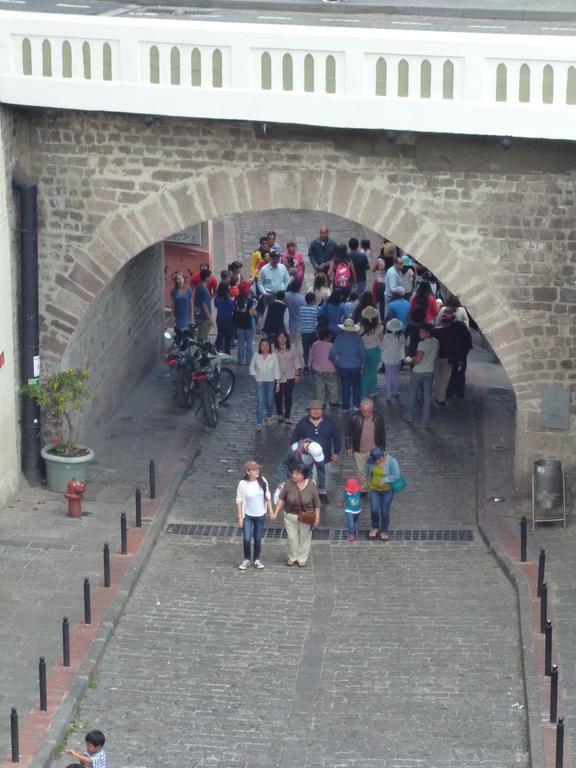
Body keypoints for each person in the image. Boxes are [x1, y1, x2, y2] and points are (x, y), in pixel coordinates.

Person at [291, 400, 341, 503]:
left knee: (325, 475)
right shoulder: (302, 423)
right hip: (307, 458)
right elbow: (294, 438)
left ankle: (322, 493)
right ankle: (310, 495)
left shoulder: (329, 423)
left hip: (325, 456)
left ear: (322, 411)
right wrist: (295, 452)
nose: (316, 412)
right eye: (313, 410)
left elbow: (337, 437)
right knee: (309, 476)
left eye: (318, 409)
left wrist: (336, 452)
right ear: (309, 411)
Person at [273, 465, 321, 568]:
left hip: (307, 516)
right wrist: (276, 512)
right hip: (290, 515)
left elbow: (317, 503)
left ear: (303, 475)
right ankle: (293, 556)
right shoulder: (288, 484)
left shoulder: (311, 485)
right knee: (292, 537)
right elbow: (281, 498)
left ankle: (302, 558)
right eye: (293, 473)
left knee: (305, 537)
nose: (293, 475)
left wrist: (317, 517)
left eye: (296, 474)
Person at [236, 460, 273, 570]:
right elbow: (238, 501)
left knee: (257, 538)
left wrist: (271, 511)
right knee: (246, 538)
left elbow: (268, 497)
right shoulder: (243, 484)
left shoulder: (262, 481)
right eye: (254, 470)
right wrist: (239, 517)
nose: (257, 471)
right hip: (247, 515)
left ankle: (256, 559)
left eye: (258, 469)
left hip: (260, 515)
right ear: (248, 472)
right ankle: (247, 559)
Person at [345, 397, 386, 495]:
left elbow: (382, 435)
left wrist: (382, 449)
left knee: (375, 470)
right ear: (360, 409)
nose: (366, 413)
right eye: (364, 411)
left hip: (374, 449)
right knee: (361, 471)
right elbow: (348, 434)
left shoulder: (378, 418)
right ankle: (364, 488)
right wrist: (348, 447)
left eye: (369, 411)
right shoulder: (354, 418)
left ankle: (375, 486)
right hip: (360, 450)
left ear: (372, 409)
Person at [405, 323, 439, 428]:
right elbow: (434, 356)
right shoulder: (436, 342)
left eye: (422, 332)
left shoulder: (422, 344)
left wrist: (409, 361)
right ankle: (425, 420)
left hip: (418, 372)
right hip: (430, 371)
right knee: (427, 397)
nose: (420, 334)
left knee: (412, 394)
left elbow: (418, 359)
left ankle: (409, 416)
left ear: (428, 333)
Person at [329, 317, 365, 413]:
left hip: (342, 366)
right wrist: (363, 364)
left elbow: (333, 353)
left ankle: (345, 407)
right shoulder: (357, 338)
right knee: (356, 386)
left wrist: (333, 360)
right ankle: (356, 405)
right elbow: (362, 353)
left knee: (345, 386)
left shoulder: (339, 337)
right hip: (355, 365)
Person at [365, 447, 401, 541]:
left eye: (377, 460)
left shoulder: (392, 462)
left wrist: (385, 480)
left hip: (387, 490)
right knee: (374, 510)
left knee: (384, 511)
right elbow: (367, 469)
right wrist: (365, 477)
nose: (375, 462)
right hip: (374, 489)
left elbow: (396, 475)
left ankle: (384, 530)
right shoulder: (371, 460)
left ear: (381, 457)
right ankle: (375, 527)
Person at [249, 338, 280, 430]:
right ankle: (259, 422)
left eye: (266, 345)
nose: (264, 347)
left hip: (271, 381)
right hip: (259, 382)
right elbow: (251, 368)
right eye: (262, 345)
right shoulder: (256, 355)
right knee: (260, 402)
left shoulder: (273, 356)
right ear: (260, 346)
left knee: (270, 401)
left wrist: (278, 383)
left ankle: (269, 416)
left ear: (269, 346)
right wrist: (256, 378)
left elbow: (276, 369)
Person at [274, 332, 302, 425]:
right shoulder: (273, 348)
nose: (282, 339)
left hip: (290, 374)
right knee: (278, 395)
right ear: (277, 338)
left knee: (288, 395)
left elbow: (296, 361)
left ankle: (287, 416)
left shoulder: (292, 347)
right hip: (277, 375)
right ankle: (279, 414)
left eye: (284, 337)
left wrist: (297, 375)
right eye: (280, 337)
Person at [309, 328, 339, 408]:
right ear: (328, 337)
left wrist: (310, 365)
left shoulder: (315, 344)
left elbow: (311, 355)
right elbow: (335, 357)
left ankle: (320, 402)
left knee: (320, 387)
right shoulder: (331, 345)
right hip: (329, 369)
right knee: (333, 385)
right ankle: (334, 401)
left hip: (317, 369)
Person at [359, 306, 383, 398]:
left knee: (364, 373)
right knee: (373, 372)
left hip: (363, 352)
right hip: (374, 351)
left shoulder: (359, 327)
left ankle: (363, 392)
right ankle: (373, 391)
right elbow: (381, 341)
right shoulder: (379, 327)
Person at [447, 319, 473, 399]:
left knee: (452, 375)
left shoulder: (452, 334)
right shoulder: (466, 334)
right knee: (461, 374)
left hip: (452, 357)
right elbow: (469, 346)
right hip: (462, 358)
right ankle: (460, 392)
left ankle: (450, 392)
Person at [381, 318, 405, 400]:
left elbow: (382, 347)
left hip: (387, 360)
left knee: (388, 377)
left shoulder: (386, 336)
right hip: (397, 360)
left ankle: (388, 395)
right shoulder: (401, 336)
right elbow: (405, 343)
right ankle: (396, 392)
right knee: (396, 376)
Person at [232, 281, 255, 365]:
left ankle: (240, 360)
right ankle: (248, 361)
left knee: (240, 343)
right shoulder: (250, 301)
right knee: (249, 342)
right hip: (248, 323)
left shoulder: (236, 299)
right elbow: (253, 313)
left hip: (239, 324)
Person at [300, 291, 319, 373]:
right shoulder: (316, 309)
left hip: (304, 332)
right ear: (312, 300)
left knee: (306, 349)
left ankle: (306, 366)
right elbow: (317, 320)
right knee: (314, 349)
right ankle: (314, 365)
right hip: (313, 331)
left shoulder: (301, 308)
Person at [194, 268, 214, 341]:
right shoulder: (203, 289)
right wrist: (209, 317)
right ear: (206, 278)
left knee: (199, 335)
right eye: (210, 276)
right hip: (204, 317)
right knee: (203, 337)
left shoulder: (199, 286)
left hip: (198, 315)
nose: (211, 278)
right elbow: (204, 304)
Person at [214, 281, 235, 354]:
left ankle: (216, 349)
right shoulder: (228, 299)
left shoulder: (217, 297)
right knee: (228, 337)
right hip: (228, 319)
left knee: (220, 335)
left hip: (219, 318)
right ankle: (227, 351)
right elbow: (232, 308)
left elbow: (216, 305)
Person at [284, 281, 305, 353]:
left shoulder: (285, 296)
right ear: (299, 288)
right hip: (298, 325)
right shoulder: (302, 299)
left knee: (288, 344)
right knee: (297, 343)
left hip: (286, 324)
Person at [342, 477, 362, 541]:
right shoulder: (346, 493)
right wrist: (342, 503)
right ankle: (351, 534)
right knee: (351, 522)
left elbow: (362, 485)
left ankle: (352, 528)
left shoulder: (358, 491)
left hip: (357, 510)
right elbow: (343, 499)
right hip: (349, 509)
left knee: (354, 521)